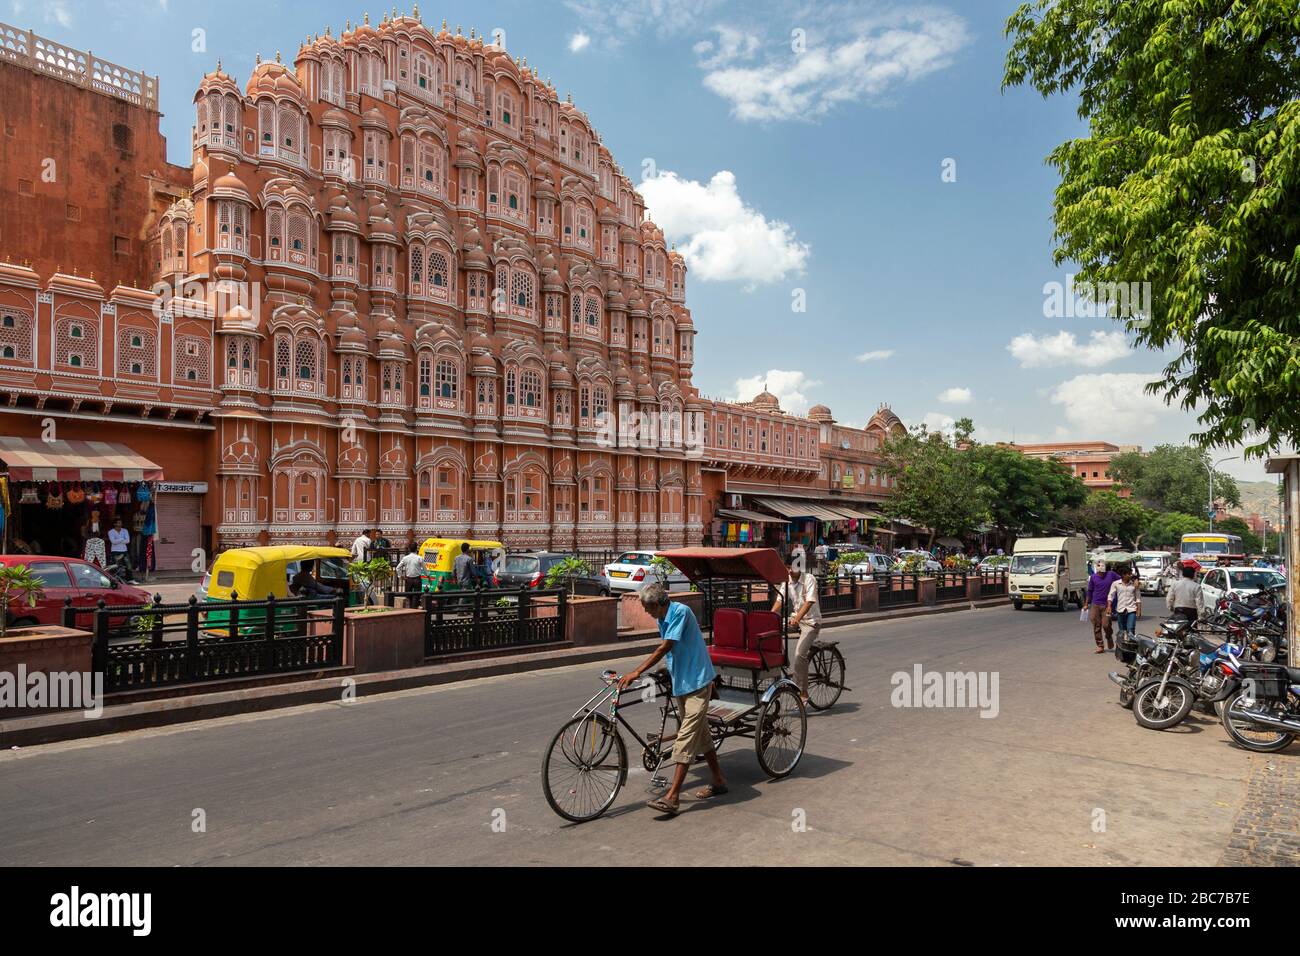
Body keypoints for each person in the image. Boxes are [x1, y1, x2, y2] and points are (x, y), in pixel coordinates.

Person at [617, 583, 726, 815]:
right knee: (702, 734)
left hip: (697, 681)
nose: (647, 612)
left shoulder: (681, 612)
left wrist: (637, 671)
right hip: (681, 681)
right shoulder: (661, 619)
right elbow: (674, 650)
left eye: (648, 608)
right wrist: (666, 670)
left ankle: (672, 796)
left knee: (686, 737)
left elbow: (666, 646)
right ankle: (718, 780)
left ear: (657, 604)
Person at [772, 551, 821, 705]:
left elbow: (809, 602)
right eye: (787, 567)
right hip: (795, 620)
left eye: (792, 567)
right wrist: (770, 616)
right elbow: (780, 600)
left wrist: (798, 618)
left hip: (811, 622)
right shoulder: (786, 581)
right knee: (771, 635)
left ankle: (803, 692)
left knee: (800, 654)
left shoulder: (809, 579)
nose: (789, 571)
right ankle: (783, 664)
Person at [1084, 559, 1120, 653]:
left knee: (1106, 624)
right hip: (1095, 604)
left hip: (1107, 605)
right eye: (1098, 566)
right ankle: (1100, 645)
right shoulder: (1093, 577)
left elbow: (1121, 580)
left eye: (1102, 566)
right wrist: (1086, 603)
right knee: (1096, 625)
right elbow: (1090, 591)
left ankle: (1109, 637)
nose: (1100, 568)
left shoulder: (1111, 574)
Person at [1108, 569, 1142, 646]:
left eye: (1131, 574)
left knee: (1131, 629)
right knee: (1122, 631)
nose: (1130, 575)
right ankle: (1123, 647)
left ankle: (1131, 646)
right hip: (1120, 609)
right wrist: (1109, 606)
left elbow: (1138, 598)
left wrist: (1139, 610)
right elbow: (1111, 595)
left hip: (1131, 609)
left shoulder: (1134, 585)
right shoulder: (1116, 584)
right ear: (1123, 575)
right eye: (1128, 574)